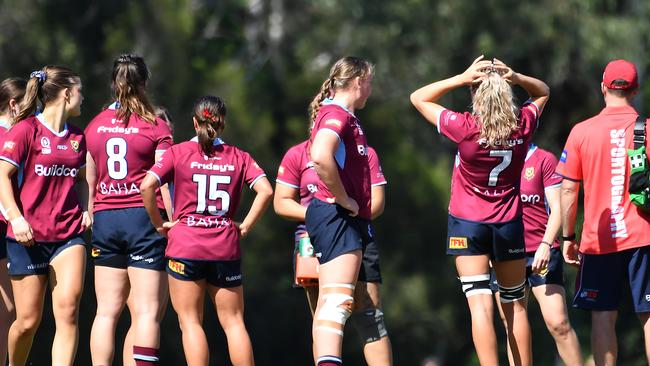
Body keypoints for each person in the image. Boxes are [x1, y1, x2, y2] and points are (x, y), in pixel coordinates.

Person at [410, 56, 549, 365]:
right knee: (516, 304)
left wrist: (461, 77)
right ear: (508, 95)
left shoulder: (464, 127)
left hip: (467, 223)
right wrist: (516, 75)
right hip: (508, 223)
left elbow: (417, 97)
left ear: (475, 96)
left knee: (480, 305)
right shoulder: (523, 124)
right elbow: (542, 92)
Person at [140, 95, 273, 366]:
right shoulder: (239, 157)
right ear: (223, 123)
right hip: (224, 246)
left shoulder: (177, 153)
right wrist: (245, 224)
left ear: (194, 121)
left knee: (190, 322)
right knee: (234, 322)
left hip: (185, 246)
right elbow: (266, 190)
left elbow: (146, 186)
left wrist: (158, 223)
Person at [557, 59, 650, 365]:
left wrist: (567, 236)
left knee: (602, 315)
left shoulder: (582, 132)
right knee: (649, 313)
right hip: (644, 235)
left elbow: (569, 191)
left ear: (603, 88)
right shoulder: (647, 129)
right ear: (635, 90)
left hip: (599, 239)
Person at [85, 54, 173, 366]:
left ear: (113, 84)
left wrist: (92, 210)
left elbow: (90, 177)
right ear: (145, 83)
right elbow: (161, 181)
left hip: (106, 219)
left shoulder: (94, 126)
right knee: (147, 311)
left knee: (106, 311)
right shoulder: (156, 126)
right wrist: (170, 222)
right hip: (144, 219)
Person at [0, 66, 90, 365]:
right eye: (79, 92)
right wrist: (16, 217)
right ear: (66, 94)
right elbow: (2, 175)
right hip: (28, 239)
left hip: (68, 236)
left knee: (68, 311)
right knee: (27, 322)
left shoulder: (78, 137)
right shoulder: (26, 130)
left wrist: (86, 209)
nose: (82, 99)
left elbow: (82, 178)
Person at [274, 140, 393, 365]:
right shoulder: (297, 154)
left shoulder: (365, 152)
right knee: (323, 317)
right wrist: (321, 215)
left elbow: (377, 202)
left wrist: (348, 211)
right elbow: (281, 203)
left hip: (360, 235)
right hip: (313, 241)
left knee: (370, 316)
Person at [305, 56, 375, 366]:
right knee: (337, 302)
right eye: (369, 82)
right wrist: (344, 198)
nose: (371, 90)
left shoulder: (343, 115)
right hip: (336, 217)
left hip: (334, 218)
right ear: (358, 81)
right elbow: (321, 156)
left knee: (329, 303)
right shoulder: (337, 114)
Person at [494, 143, 582, 365]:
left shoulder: (543, 159)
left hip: (541, 251)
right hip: (505, 253)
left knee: (558, 323)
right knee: (512, 324)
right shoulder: (492, 159)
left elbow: (558, 207)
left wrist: (546, 243)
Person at [121, 104, 174, 366]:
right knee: (146, 314)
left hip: (127, 227)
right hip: (155, 227)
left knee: (144, 316)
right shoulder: (163, 160)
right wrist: (173, 223)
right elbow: (163, 191)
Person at [0, 77, 26, 366]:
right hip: (4, 224)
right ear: (13, 104)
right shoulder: (11, 138)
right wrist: (15, 216)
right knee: (7, 310)